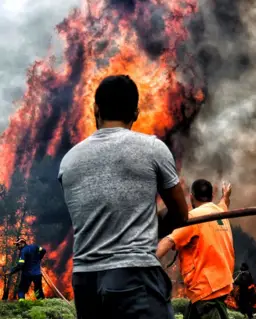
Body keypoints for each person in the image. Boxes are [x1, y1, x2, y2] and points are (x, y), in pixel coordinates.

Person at [58, 75, 189, 319]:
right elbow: (181, 214)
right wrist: (150, 223)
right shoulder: (152, 149)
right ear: (136, 112)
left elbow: (93, 218)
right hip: (134, 275)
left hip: (85, 281)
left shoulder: (69, 161)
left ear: (95, 108)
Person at [156, 179, 234, 319]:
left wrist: (146, 263)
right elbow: (224, 203)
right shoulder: (220, 212)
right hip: (216, 287)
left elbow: (168, 241)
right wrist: (226, 194)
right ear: (211, 196)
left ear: (191, 196)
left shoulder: (193, 218)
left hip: (207, 292)